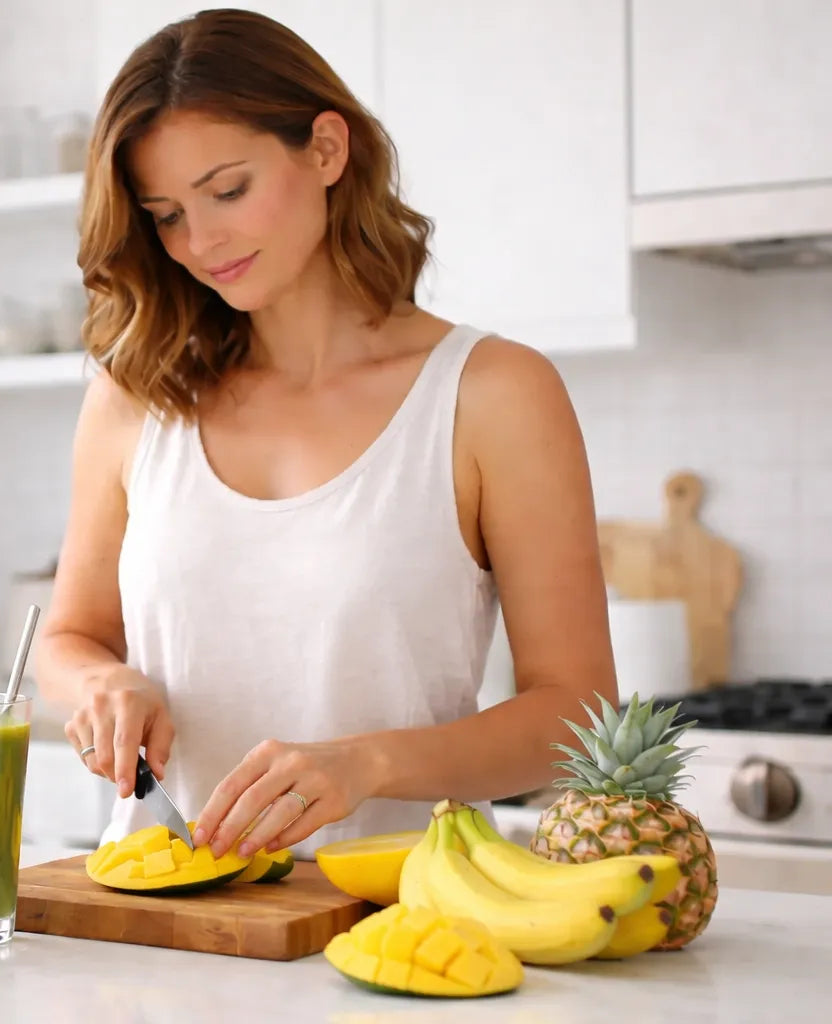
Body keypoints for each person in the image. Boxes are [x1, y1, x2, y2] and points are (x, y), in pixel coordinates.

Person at [33, 8, 620, 863]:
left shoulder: (492, 394)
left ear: (326, 150)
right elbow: (67, 638)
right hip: (168, 928)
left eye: (228, 190)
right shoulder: (136, 395)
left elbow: (576, 715)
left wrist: (370, 763)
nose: (201, 242)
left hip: (407, 915)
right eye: (164, 215)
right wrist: (100, 682)